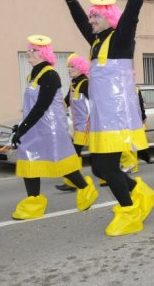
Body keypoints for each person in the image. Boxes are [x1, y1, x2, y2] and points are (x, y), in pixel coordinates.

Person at [59, 0, 154, 235]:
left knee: (106, 167)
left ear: (108, 17)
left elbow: (132, 14)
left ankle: (129, 213)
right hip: (103, 116)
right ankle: (140, 193)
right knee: (102, 168)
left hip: (119, 115)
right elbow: (80, 21)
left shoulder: (121, 38)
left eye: (95, 16)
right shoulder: (96, 41)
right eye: (91, 16)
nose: (90, 20)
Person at [11, 36, 97, 219]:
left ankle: (85, 188)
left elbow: (42, 106)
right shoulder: (32, 74)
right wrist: (21, 126)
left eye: (32, 50)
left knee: (63, 164)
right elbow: (31, 106)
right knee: (29, 162)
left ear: (42, 53)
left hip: (50, 129)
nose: (29, 53)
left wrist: (22, 128)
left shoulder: (50, 75)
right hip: (35, 127)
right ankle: (33, 202)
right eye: (29, 50)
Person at [55, 53, 91, 192]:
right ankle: (74, 181)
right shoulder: (74, 83)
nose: (69, 69)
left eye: (72, 67)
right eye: (69, 67)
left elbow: (96, 104)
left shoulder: (86, 83)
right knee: (77, 154)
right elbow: (66, 101)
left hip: (88, 127)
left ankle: (74, 181)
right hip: (78, 127)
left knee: (75, 154)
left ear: (80, 68)